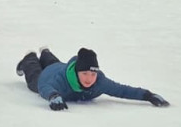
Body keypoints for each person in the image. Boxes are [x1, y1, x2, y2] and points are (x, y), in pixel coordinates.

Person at [15, 48, 170, 112]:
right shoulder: (61, 81)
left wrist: (147, 95)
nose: (89, 79)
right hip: (47, 75)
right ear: (77, 73)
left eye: (92, 74)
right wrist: (53, 96)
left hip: (59, 66)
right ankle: (29, 57)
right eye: (85, 74)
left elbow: (121, 90)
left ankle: (46, 52)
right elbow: (44, 86)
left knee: (54, 63)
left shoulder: (99, 82)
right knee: (34, 78)